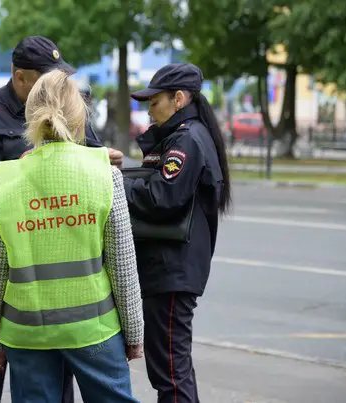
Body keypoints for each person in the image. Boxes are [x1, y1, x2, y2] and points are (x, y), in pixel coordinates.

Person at [0, 35, 123, 403]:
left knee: (53, 379)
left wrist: (102, 160)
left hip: (61, 254)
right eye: (47, 75)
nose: (56, 84)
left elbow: (91, 154)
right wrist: (21, 168)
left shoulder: (70, 107)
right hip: (4, 257)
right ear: (20, 77)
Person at [0, 69, 144, 403]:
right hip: (93, 328)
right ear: (79, 116)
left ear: (30, 114)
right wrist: (134, 332)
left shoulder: (7, 179)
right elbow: (123, 265)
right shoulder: (104, 174)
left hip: (26, 332)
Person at [123, 63, 232, 403]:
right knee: (171, 368)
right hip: (168, 268)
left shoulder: (187, 139)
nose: (149, 110)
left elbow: (162, 196)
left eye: (154, 102)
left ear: (179, 98)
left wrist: (112, 185)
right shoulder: (182, 136)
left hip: (172, 270)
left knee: (170, 371)